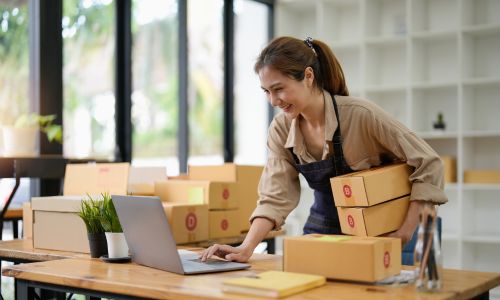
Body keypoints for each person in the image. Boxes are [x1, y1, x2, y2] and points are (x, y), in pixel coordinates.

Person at [200, 36, 447, 263]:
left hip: (387, 230)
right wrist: (246, 247)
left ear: (308, 76)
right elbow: (276, 195)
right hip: (324, 226)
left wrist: (404, 233)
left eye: (279, 88)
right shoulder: (280, 129)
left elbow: (429, 163)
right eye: (266, 92)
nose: (273, 101)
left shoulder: (361, 115)